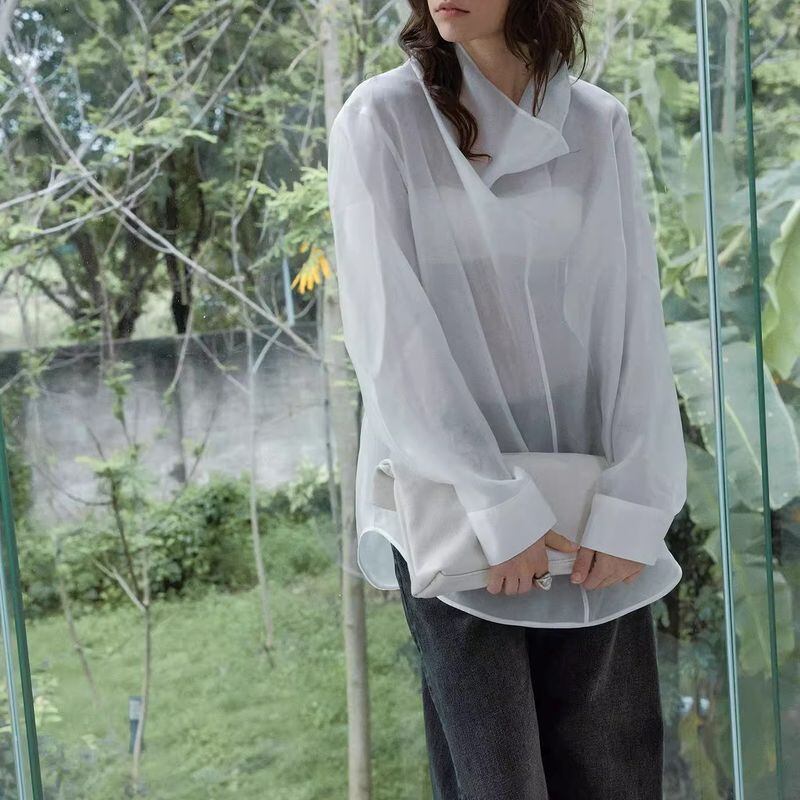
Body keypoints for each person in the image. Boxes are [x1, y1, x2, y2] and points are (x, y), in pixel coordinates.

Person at [326, 1, 688, 797]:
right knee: (497, 780)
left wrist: (637, 502)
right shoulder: (381, 120)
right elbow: (390, 340)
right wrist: (496, 505)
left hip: (590, 500)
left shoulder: (596, 124)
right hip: (455, 507)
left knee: (612, 771)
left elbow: (633, 322)